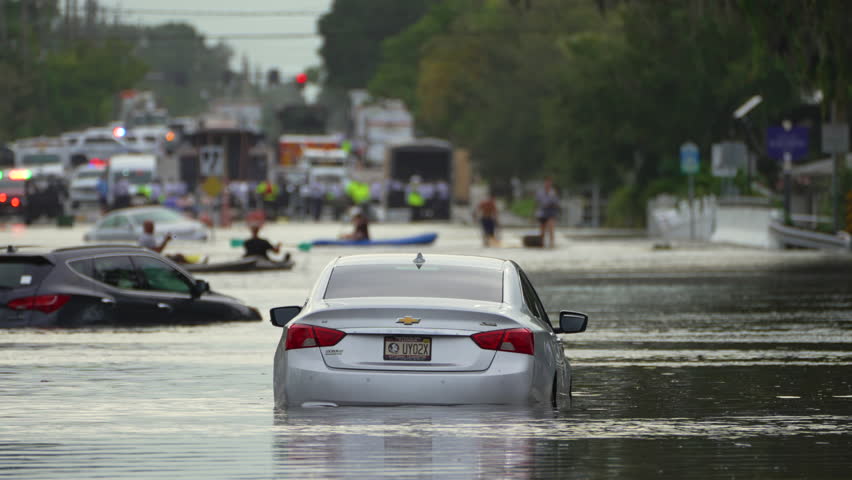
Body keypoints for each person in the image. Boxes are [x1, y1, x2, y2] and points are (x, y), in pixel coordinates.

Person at [535, 177, 561, 248]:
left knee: (551, 227)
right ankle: (542, 243)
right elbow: (537, 202)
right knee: (542, 229)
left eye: (549, 182)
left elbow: (556, 202)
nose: (548, 184)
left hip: (551, 211)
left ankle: (552, 243)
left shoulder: (553, 192)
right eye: (547, 182)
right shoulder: (540, 192)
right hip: (542, 212)